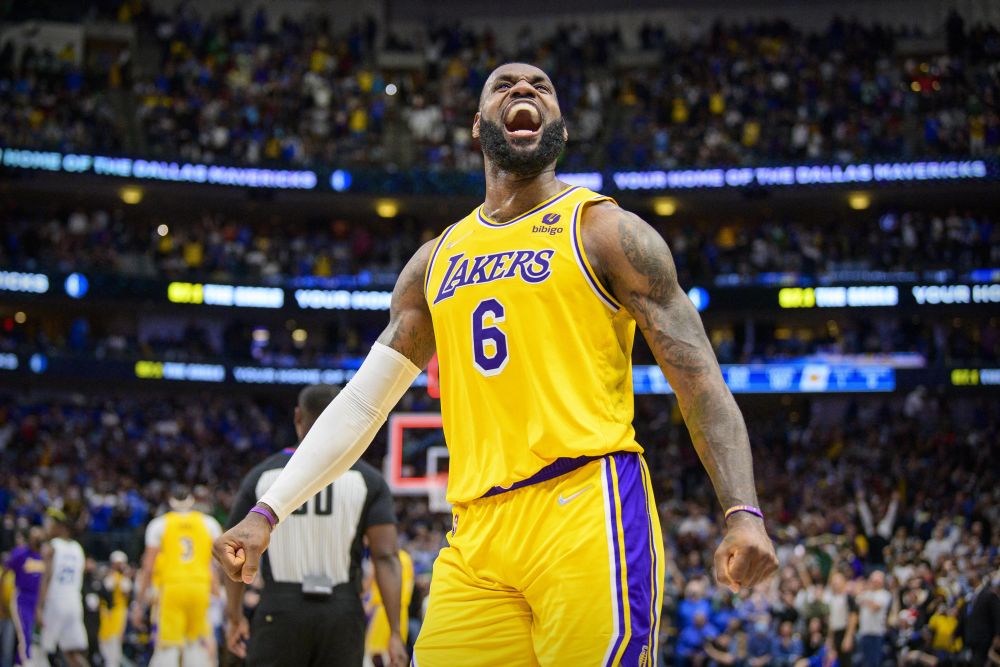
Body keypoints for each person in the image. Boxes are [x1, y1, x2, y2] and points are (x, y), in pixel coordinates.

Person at [215, 62, 779, 665]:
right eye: (504, 84)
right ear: (477, 124)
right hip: (477, 533)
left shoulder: (606, 232)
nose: (525, 89)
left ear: (560, 124)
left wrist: (742, 511)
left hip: (585, 507)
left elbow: (699, 382)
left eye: (542, 86)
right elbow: (363, 401)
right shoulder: (434, 262)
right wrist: (268, 511)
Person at [223, 384, 406, 667]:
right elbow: (386, 556)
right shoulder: (368, 479)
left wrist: (234, 617)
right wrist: (395, 631)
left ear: (298, 417)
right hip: (342, 611)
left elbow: (233, 552)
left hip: (280, 609)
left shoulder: (262, 475)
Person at [135, 487, 222, 667]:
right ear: (192, 500)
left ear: (170, 501)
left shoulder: (159, 524)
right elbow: (216, 563)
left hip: (172, 587)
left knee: (168, 646)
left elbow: (148, 566)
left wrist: (139, 601)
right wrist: (217, 590)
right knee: (197, 644)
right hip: (200, 586)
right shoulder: (209, 523)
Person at [36, 508, 90, 667]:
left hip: (55, 602)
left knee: (42, 651)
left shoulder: (51, 547)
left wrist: (39, 606)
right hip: (74, 603)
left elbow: (46, 577)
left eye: (51, 524)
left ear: (61, 527)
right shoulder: (78, 549)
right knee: (73, 653)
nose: (48, 527)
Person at [4, 527, 44, 665]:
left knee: (37, 638)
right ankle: (23, 663)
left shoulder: (45, 555)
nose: (37, 538)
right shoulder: (21, 553)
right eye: (34, 535)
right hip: (22, 598)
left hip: (39, 601)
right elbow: (5, 569)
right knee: (25, 634)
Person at [98, 551, 132, 667]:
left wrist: (125, 576)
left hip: (119, 612)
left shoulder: (125, 579)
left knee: (116, 641)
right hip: (107, 613)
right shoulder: (108, 577)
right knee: (105, 640)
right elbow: (106, 590)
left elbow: (126, 593)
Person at [856, 571, 892, 667]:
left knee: (874, 662)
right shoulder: (867, 593)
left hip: (876, 633)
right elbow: (857, 599)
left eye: (877, 580)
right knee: (863, 661)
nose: (874, 582)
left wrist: (865, 599)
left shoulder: (884, 594)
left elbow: (875, 607)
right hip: (864, 632)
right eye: (873, 580)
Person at [966, 573, 1000, 667]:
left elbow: (997, 616)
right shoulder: (970, 596)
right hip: (972, 639)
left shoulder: (989, 595)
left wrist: (998, 635)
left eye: (971, 575)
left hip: (985, 639)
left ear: (978, 578)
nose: (968, 577)